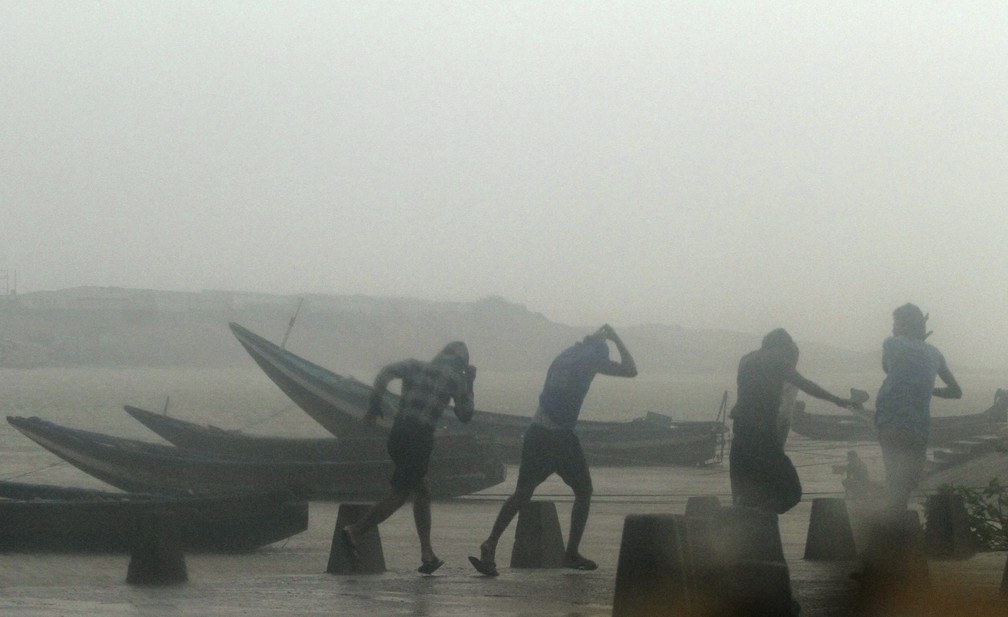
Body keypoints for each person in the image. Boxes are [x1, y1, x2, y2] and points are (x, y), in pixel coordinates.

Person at [469, 324, 637, 576]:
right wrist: (615, 338)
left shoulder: (567, 355)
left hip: (536, 431)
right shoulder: (591, 360)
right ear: (598, 355)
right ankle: (571, 553)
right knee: (584, 491)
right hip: (559, 437)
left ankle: (490, 543)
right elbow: (630, 370)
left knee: (521, 493)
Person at [340, 341, 476, 575]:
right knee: (399, 495)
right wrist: (471, 382)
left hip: (398, 434)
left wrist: (375, 405)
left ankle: (427, 554)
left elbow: (384, 374)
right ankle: (355, 530)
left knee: (421, 491)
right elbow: (465, 415)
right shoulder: (456, 378)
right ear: (462, 363)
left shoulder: (415, 366)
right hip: (420, 439)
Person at [729, 328, 860, 514]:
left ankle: (744, 527)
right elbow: (806, 385)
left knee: (744, 495)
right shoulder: (777, 360)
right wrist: (837, 400)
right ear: (782, 347)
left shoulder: (746, 360)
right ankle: (761, 516)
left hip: (740, 435)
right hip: (763, 437)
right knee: (791, 492)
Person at [874, 303, 961, 515]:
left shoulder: (891, 344)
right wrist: (928, 388)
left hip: (890, 422)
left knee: (894, 478)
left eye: (895, 322)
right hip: (918, 428)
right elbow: (956, 391)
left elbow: (888, 367)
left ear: (903, 324)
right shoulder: (935, 353)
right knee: (907, 482)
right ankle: (897, 527)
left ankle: (890, 532)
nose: (893, 327)